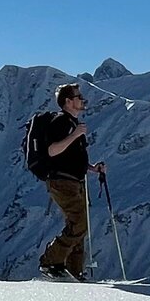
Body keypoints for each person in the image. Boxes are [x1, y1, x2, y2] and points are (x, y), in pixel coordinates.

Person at [39, 84, 106, 281]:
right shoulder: (61, 122)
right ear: (68, 101)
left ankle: (74, 272)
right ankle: (50, 261)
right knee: (79, 223)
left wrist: (93, 168)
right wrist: (75, 134)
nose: (82, 99)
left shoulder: (72, 123)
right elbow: (52, 151)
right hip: (62, 181)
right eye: (78, 96)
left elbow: (71, 157)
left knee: (78, 226)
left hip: (74, 181)